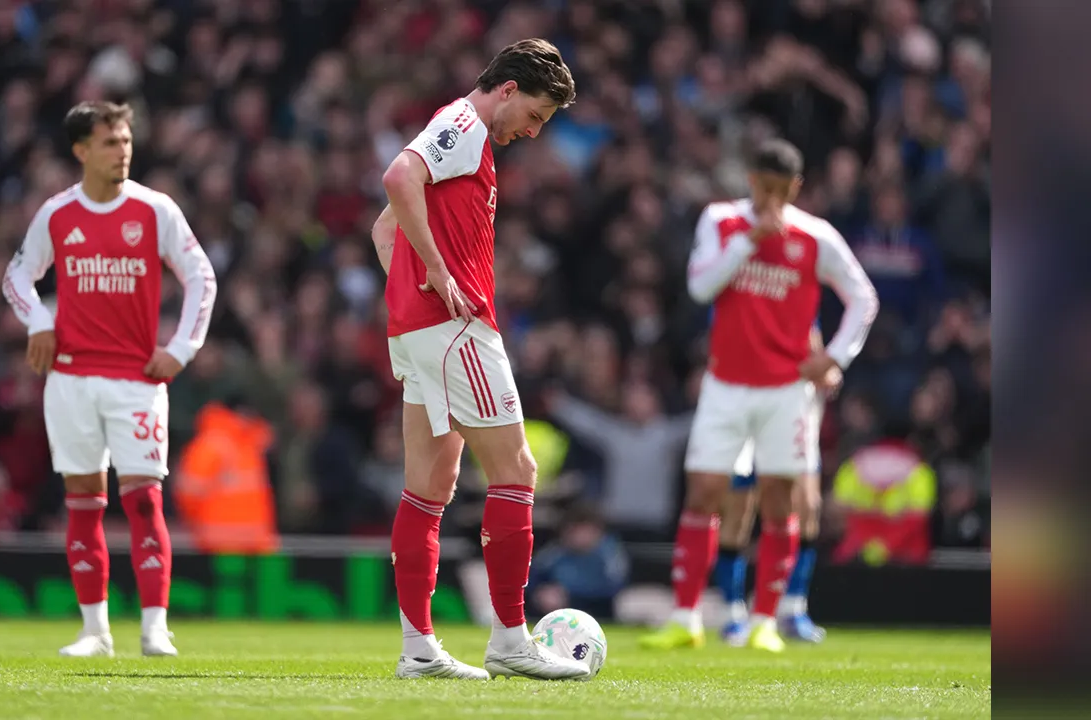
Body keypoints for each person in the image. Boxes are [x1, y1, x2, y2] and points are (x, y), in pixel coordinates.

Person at [371, 38, 586, 680]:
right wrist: (437, 276)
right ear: (509, 90)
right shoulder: (463, 125)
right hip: (455, 328)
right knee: (516, 469)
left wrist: (411, 292)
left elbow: (384, 229)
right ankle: (511, 639)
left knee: (430, 488)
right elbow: (397, 177)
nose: (533, 131)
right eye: (536, 116)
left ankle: (418, 650)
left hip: (421, 331)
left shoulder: (464, 137)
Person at [639, 139, 878, 654]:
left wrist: (835, 356)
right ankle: (686, 617)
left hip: (785, 391)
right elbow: (702, 287)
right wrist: (748, 240)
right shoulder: (721, 221)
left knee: (778, 499)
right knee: (703, 490)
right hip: (725, 385)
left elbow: (863, 296)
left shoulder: (816, 236)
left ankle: (766, 620)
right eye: (762, 187)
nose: (770, 199)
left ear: (794, 188)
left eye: (780, 190)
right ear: (750, 181)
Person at [2, 101, 217, 658]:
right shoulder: (57, 214)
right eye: (109, 143)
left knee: (145, 501)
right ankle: (95, 631)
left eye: (125, 140)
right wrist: (41, 321)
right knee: (82, 501)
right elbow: (18, 276)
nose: (122, 151)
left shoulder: (155, 210)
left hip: (136, 381)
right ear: (80, 151)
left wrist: (181, 349)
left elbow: (201, 277)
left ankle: (154, 626)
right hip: (70, 379)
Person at [713, 328, 836, 647]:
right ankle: (732, 613)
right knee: (738, 514)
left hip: (796, 422)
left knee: (807, 507)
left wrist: (827, 369)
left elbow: (824, 364)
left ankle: (792, 608)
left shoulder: (804, 314)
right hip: (750, 419)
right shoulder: (750, 306)